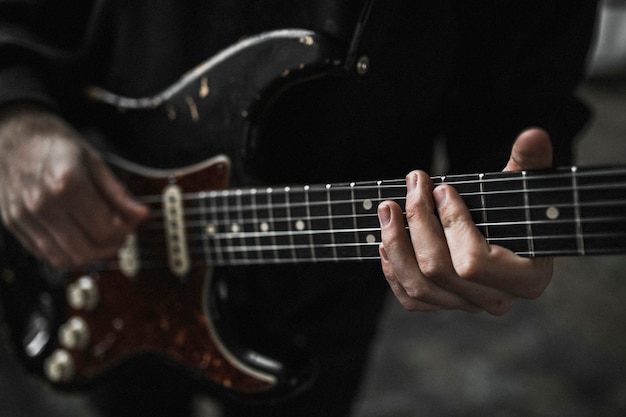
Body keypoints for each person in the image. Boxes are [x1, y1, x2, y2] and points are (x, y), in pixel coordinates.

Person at [0, 1, 598, 416]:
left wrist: (515, 215)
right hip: (95, 214)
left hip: (331, 279)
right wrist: (13, 113)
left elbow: (522, 84)